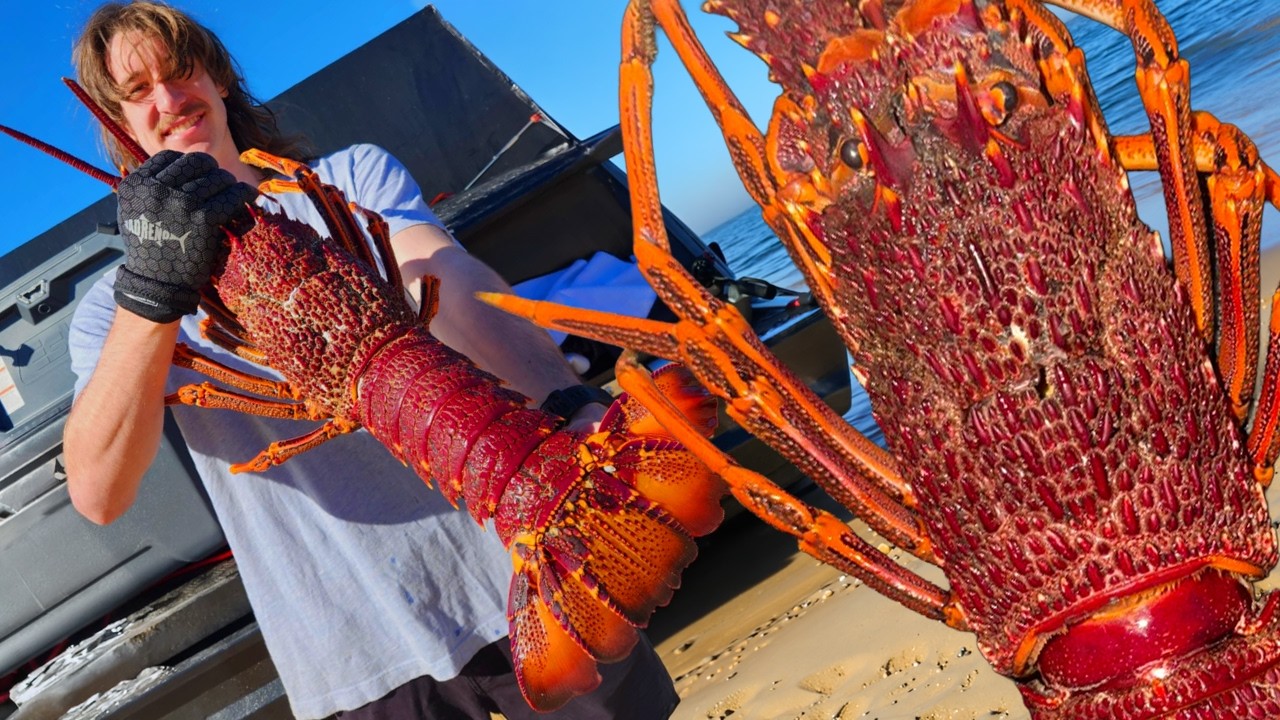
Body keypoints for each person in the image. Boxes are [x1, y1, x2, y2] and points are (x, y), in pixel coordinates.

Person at [61, 2, 680, 718]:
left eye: (180, 72)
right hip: (357, 648)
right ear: (119, 127)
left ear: (220, 77)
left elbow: (444, 276)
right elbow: (99, 494)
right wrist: (152, 294)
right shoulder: (116, 309)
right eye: (137, 93)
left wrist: (568, 399)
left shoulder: (345, 184)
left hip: (522, 557)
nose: (169, 100)